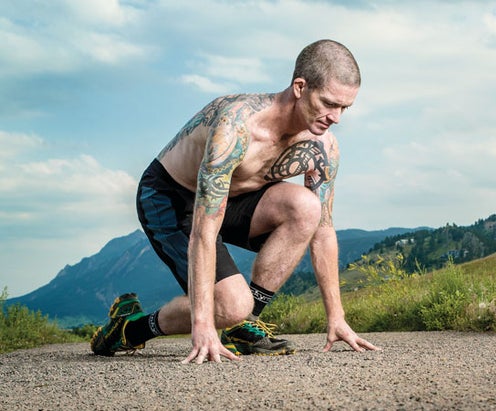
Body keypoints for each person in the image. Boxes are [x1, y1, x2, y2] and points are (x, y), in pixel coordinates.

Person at [91, 39, 380, 364]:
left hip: (235, 198)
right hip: (172, 198)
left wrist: (336, 316)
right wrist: (203, 323)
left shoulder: (323, 147)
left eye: (344, 108)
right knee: (229, 305)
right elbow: (203, 231)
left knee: (307, 209)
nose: (336, 117)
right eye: (329, 103)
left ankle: (241, 325)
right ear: (300, 86)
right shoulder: (237, 126)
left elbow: (323, 231)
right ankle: (130, 328)